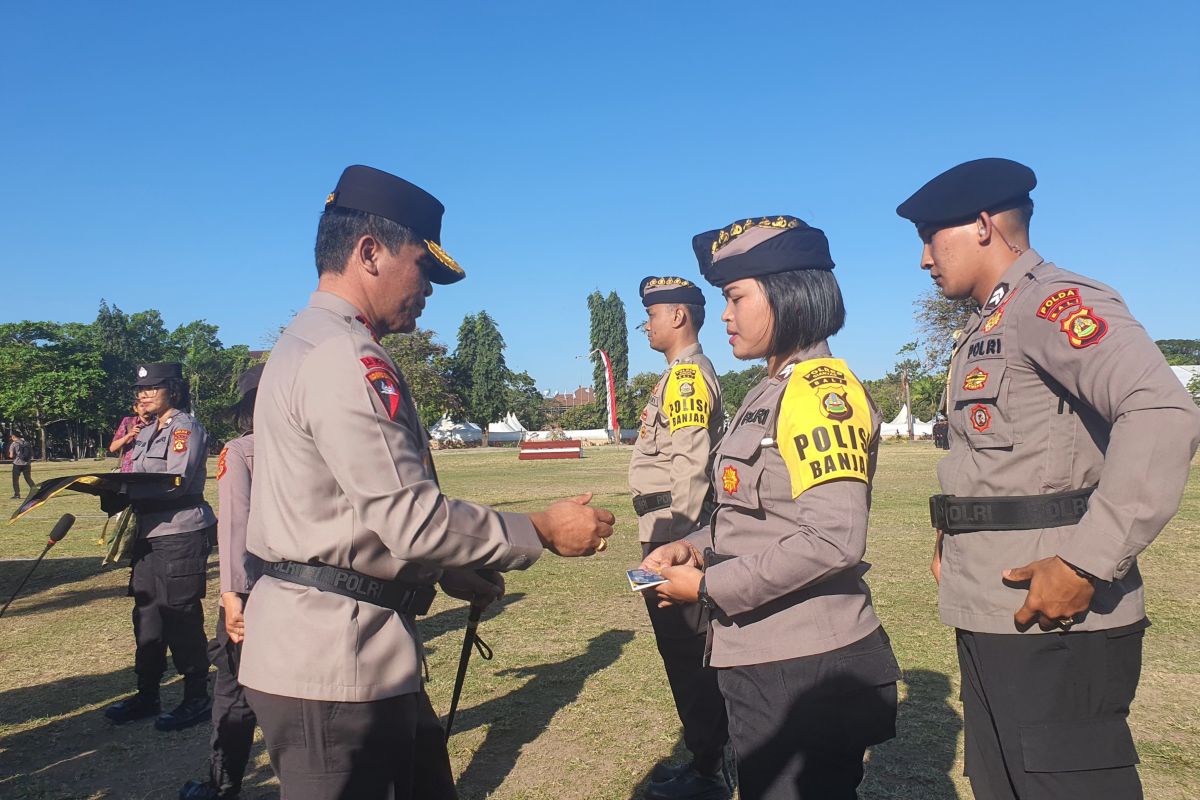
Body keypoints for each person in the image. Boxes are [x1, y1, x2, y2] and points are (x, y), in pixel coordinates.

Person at [238, 165, 615, 800]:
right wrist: (541, 531)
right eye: (423, 267)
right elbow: (409, 517)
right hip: (333, 666)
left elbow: (346, 511)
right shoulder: (343, 356)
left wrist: (440, 571)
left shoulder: (315, 343)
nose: (429, 290)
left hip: (352, 648)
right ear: (369, 252)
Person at [897, 157, 1200, 800]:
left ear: (983, 225)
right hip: (995, 606)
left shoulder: (1055, 303)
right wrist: (955, 532)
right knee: (1003, 784)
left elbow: (1163, 410)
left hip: (1058, 613)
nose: (924, 258)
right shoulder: (989, 323)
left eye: (931, 236)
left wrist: (1088, 562)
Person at [643, 216, 901, 800]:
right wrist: (695, 546)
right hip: (769, 653)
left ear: (787, 296)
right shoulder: (770, 389)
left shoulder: (817, 388)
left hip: (806, 662)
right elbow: (755, 518)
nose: (726, 316)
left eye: (736, 297)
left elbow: (834, 538)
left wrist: (708, 588)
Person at [629, 275, 730, 800]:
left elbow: (690, 468)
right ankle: (706, 756)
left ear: (679, 317)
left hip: (673, 534)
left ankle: (709, 768)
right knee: (683, 653)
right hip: (667, 531)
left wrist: (677, 544)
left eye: (652, 313)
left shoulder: (686, 378)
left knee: (690, 654)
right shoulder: (674, 375)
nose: (644, 324)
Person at [104, 362, 216, 732]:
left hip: (179, 530)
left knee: (180, 613)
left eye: (152, 388)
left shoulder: (185, 428)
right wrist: (112, 493)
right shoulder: (145, 430)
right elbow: (132, 473)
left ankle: (197, 697)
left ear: (174, 390)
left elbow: (176, 482)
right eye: (140, 390)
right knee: (147, 612)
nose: (143, 394)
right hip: (148, 532)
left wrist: (126, 490)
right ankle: (147, 693)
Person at [180, 363, 265, 800]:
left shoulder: (241, 450)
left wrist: (232, 592)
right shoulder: (321, 446)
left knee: (234, 692)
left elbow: (235, 526)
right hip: (314, 590)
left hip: (254, 591)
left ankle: (223, 785)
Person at [110, 401, 155, 472]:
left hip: (152, 469)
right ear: (135, 408)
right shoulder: (128, 422)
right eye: (142, 406)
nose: (146, 409)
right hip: (130, 469)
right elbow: (112, 448)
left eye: (148, 405)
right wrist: (129, 434)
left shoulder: (159, 423)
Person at [9, 432, 35, 498]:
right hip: (27, 463)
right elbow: (31, 453)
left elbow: (11, 456)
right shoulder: (26, 443)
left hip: (17, 463)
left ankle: (17, 495)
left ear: (14, 437)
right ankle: (35, 492)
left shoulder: (14, 444)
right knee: (28, 478)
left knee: (15, 479)